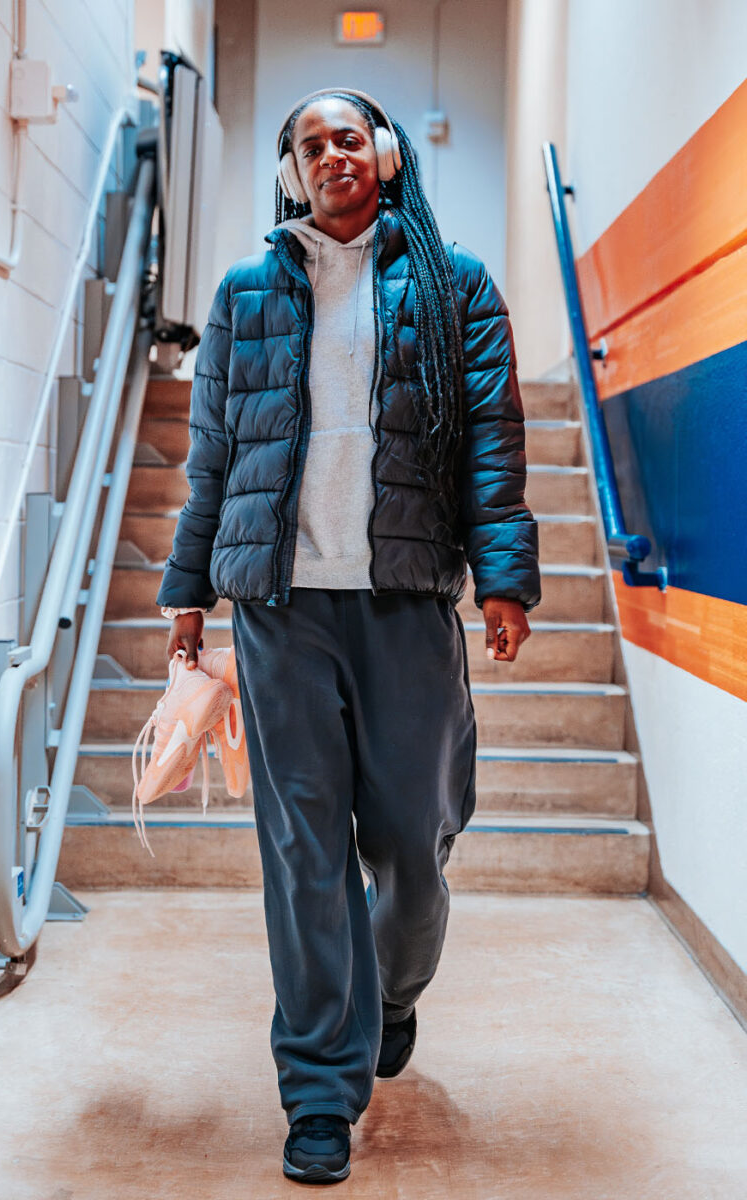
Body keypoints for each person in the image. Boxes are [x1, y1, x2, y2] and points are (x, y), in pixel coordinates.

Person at [157, 86, 540, 1184]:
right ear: (290, 172)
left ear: (383, 153)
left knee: (415, 847)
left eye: (348, 136)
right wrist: (190, 593)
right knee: (302, 858)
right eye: (308, 144)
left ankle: (393, 994)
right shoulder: (244, 295)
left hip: (407, 601)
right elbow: (216, 459)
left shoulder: (454, 285)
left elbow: (492, 451)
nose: (331, 155)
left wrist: (503, 577)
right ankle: (320, 1089)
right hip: (282, 611)